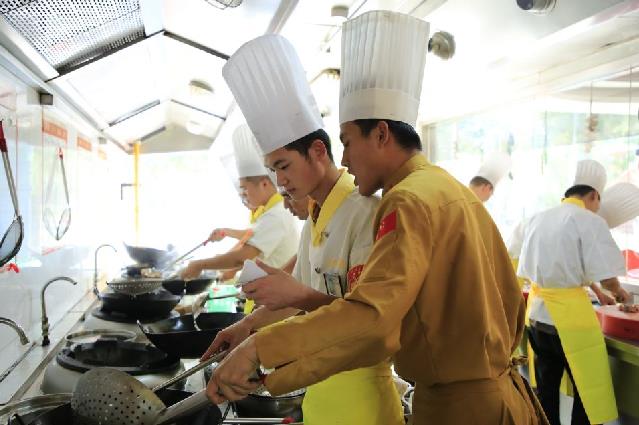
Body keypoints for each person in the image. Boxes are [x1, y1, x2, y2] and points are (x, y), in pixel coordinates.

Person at [206, 11, 543, 425]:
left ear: (381, 134)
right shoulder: (442, 185)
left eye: (347, 142)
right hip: (488, 396)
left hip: (462, 408)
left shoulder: (405, 201)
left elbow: (373, 318)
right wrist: (255, 329)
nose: (345, 159)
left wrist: (260, 350)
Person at [201, 33, 404, 425]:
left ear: (318, 152)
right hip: (318, 396)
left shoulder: (365, 213)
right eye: (273, 170)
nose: (280, 183)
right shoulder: (315, 217)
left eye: (283, 166)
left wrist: (294, 296)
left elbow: (370, 326)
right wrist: (246, 326)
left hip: (362, 403)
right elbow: (300, 301)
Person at [518, 159, 631, 425]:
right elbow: (607, 275)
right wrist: (619, 293)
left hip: (537, 316)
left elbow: (565, 263)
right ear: (594, 196)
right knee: (588, 389)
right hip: (569, 321)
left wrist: (595, 289)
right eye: (598, 204)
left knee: (546, 388)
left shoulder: (539, 217)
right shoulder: (588, 220)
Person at [180, 124, 298, 282]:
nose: (244, 196)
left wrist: (199, 265)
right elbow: (251, 237)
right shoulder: (269, 212)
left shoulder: (276, 215)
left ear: (264, 184)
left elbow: (241, 258)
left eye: (245, 189)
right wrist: (226, 233)